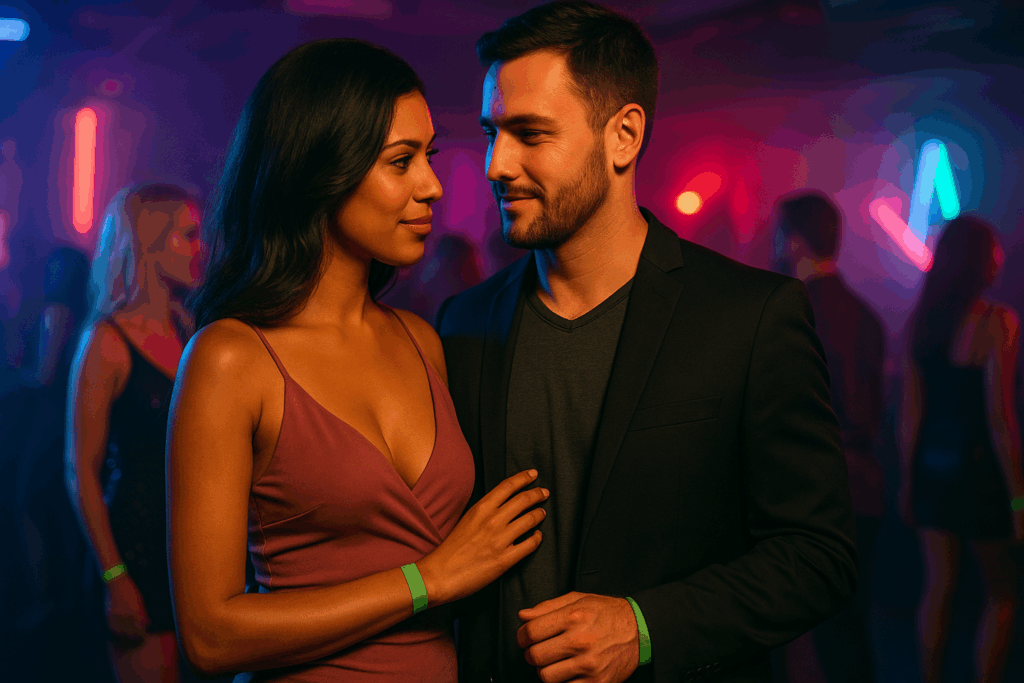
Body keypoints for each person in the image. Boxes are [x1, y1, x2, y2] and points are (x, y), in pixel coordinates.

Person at [435, 3, 857, 681]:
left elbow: (818, 555)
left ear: (624, 135)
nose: (496, 163)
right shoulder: (464, 321)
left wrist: (645, 626)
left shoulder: (748, 317)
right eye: (492, 133)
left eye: (530, 133)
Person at [166, 39, 546, 682]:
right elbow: (209, 635)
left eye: (427, 155)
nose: (431, 185)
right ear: (321, 172)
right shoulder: (232, 358)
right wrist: (429, 580)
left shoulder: (422, 340)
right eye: (401, 161)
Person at [65, 182, 202, 683]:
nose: (199, 248)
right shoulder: (106, 341)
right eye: (186, 236)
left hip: (186, 553)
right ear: (149, 242)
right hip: (133, 553)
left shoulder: (190, 331)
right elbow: (80, 469)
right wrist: (114, 575)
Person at [898, 215, 1023, 683]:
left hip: (932, 469)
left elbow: (910, 414)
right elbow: (1000, 417)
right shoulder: (998, 322)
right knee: (1002, 594)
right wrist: (1019, 497)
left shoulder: (921, 321)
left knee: (938, 589)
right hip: (981, 472)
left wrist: (909, 481)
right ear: (982, 261)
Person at [773, 192, 886, 683]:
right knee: (853, 628)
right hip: (864, 486)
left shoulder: (785, 312)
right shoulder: (866, 315)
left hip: (806, 491)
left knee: (802, 637)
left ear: (794, 242)